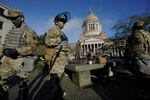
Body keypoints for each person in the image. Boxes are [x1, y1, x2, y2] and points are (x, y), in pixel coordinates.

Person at [0, 10, 38, 81]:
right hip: (7, 60)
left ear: (21, 18)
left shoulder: (29, 31)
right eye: (10, 18)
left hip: (21, 61)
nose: (12, 20)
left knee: (22, 84)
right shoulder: (12, 30)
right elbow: (5, 45)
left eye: (14, 18)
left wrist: (17, 51)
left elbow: (33, 47)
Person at [45, 12, 71, 97]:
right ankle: (58, 94)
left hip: (62, 59)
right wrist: (59, 39)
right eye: (61, 20)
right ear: (56, 21)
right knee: (54, 78)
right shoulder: (53, 30)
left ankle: (59, 92)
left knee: (57, 78)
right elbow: (47, 41)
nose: (63, 22)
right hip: (57, 58)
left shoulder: (60, 31)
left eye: (64, 21)